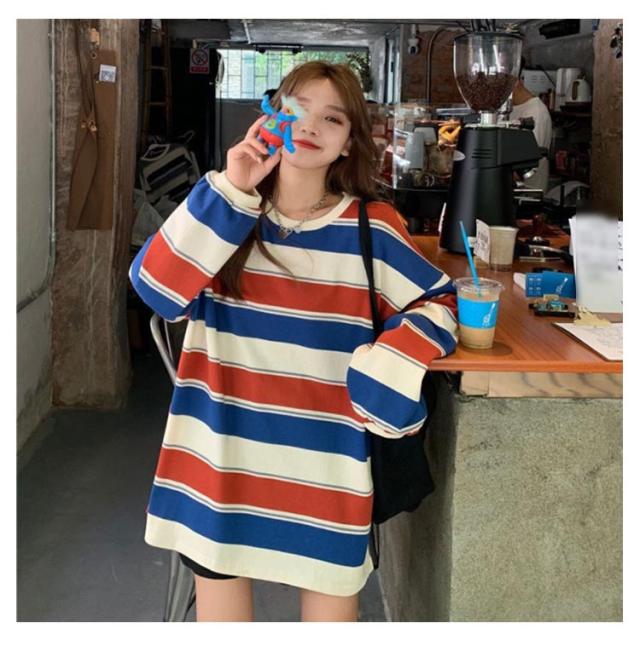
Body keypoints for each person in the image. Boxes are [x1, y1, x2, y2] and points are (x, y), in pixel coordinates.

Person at [129, 61, 458, 622]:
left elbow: (441, 302)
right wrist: (235, 185)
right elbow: (155, 290)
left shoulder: (372, 227)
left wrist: (394, 357)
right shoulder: (225, 210)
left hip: (326, 462)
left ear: (348, 142)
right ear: (271, 115)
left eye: (332, 118)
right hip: (220, 454)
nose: (309, 125)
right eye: (296, 108)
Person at [510, 57, 553, 192]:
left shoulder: (536, 112)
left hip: (527, 195)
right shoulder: (507, 109)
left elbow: (523, 169)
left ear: (515, 81)